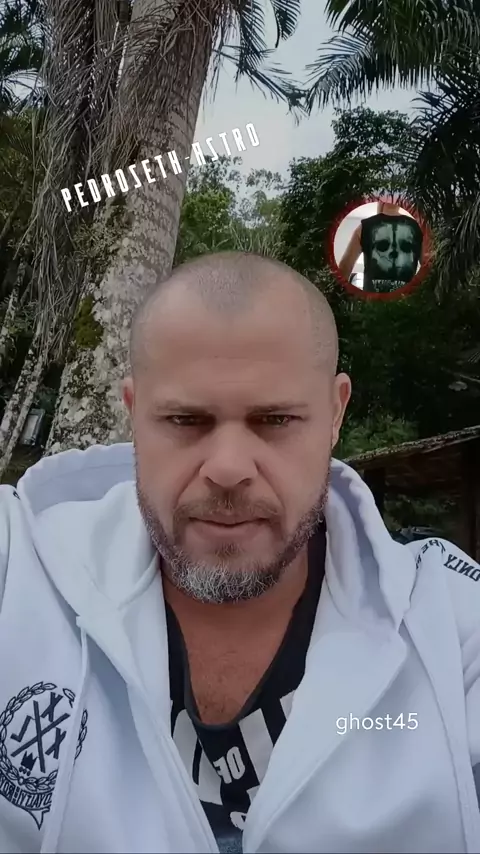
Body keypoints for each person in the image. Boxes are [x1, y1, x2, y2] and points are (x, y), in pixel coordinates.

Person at [0, 251, 479, 854]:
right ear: (134, 413)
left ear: (335, 413)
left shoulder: (452, 630)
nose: (228, 469)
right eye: (185, 420)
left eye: (275, 419)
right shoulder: (20, 569)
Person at [338, 201, 425, 292]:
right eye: (382, 246)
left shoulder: (364, 227)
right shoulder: (417, 228)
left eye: (405, 247)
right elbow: (428, 270)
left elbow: (345, 267)